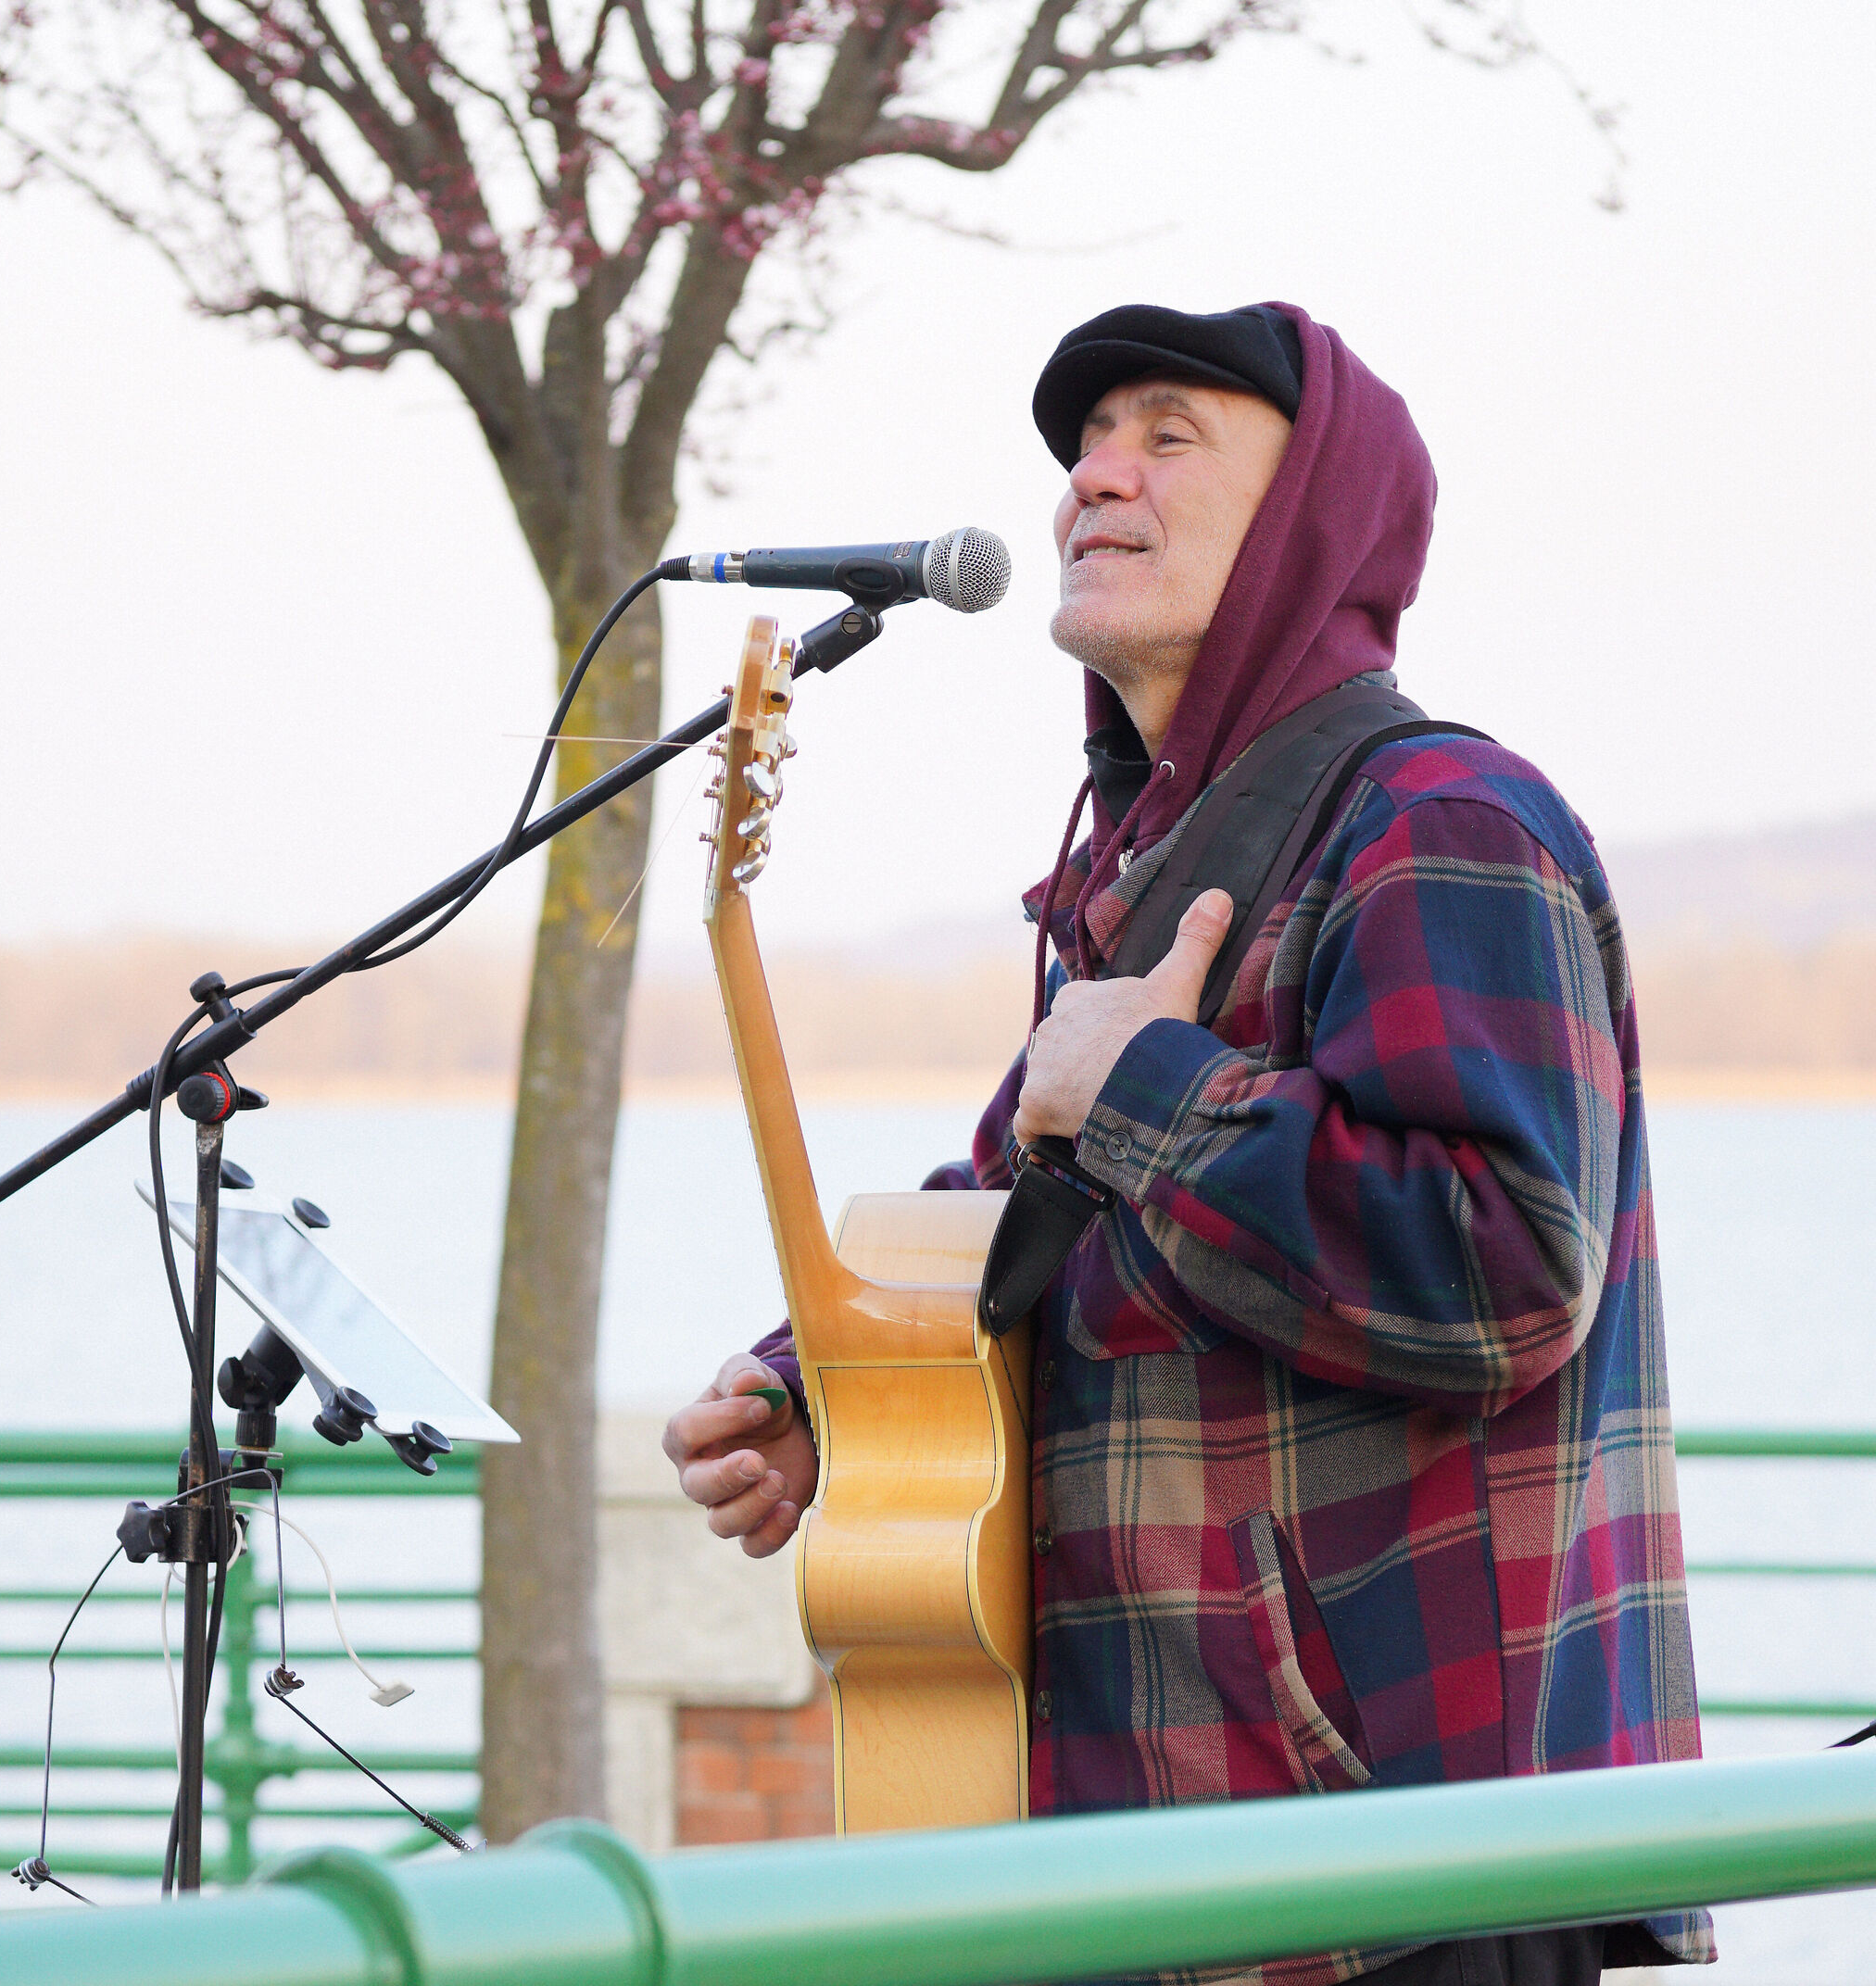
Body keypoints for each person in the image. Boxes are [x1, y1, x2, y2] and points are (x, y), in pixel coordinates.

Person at [662, 303, 1710, 1986]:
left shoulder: (1439, 821)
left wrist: (1149, 1086)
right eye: (1086, 447)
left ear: (1312, 518)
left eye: (1166, 435)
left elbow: (1507, 1274)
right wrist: (815, 1391)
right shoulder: (1154, 865)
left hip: (1406, 1877)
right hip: (1162, 1862)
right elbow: (1009, 1216)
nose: (1094, 477)